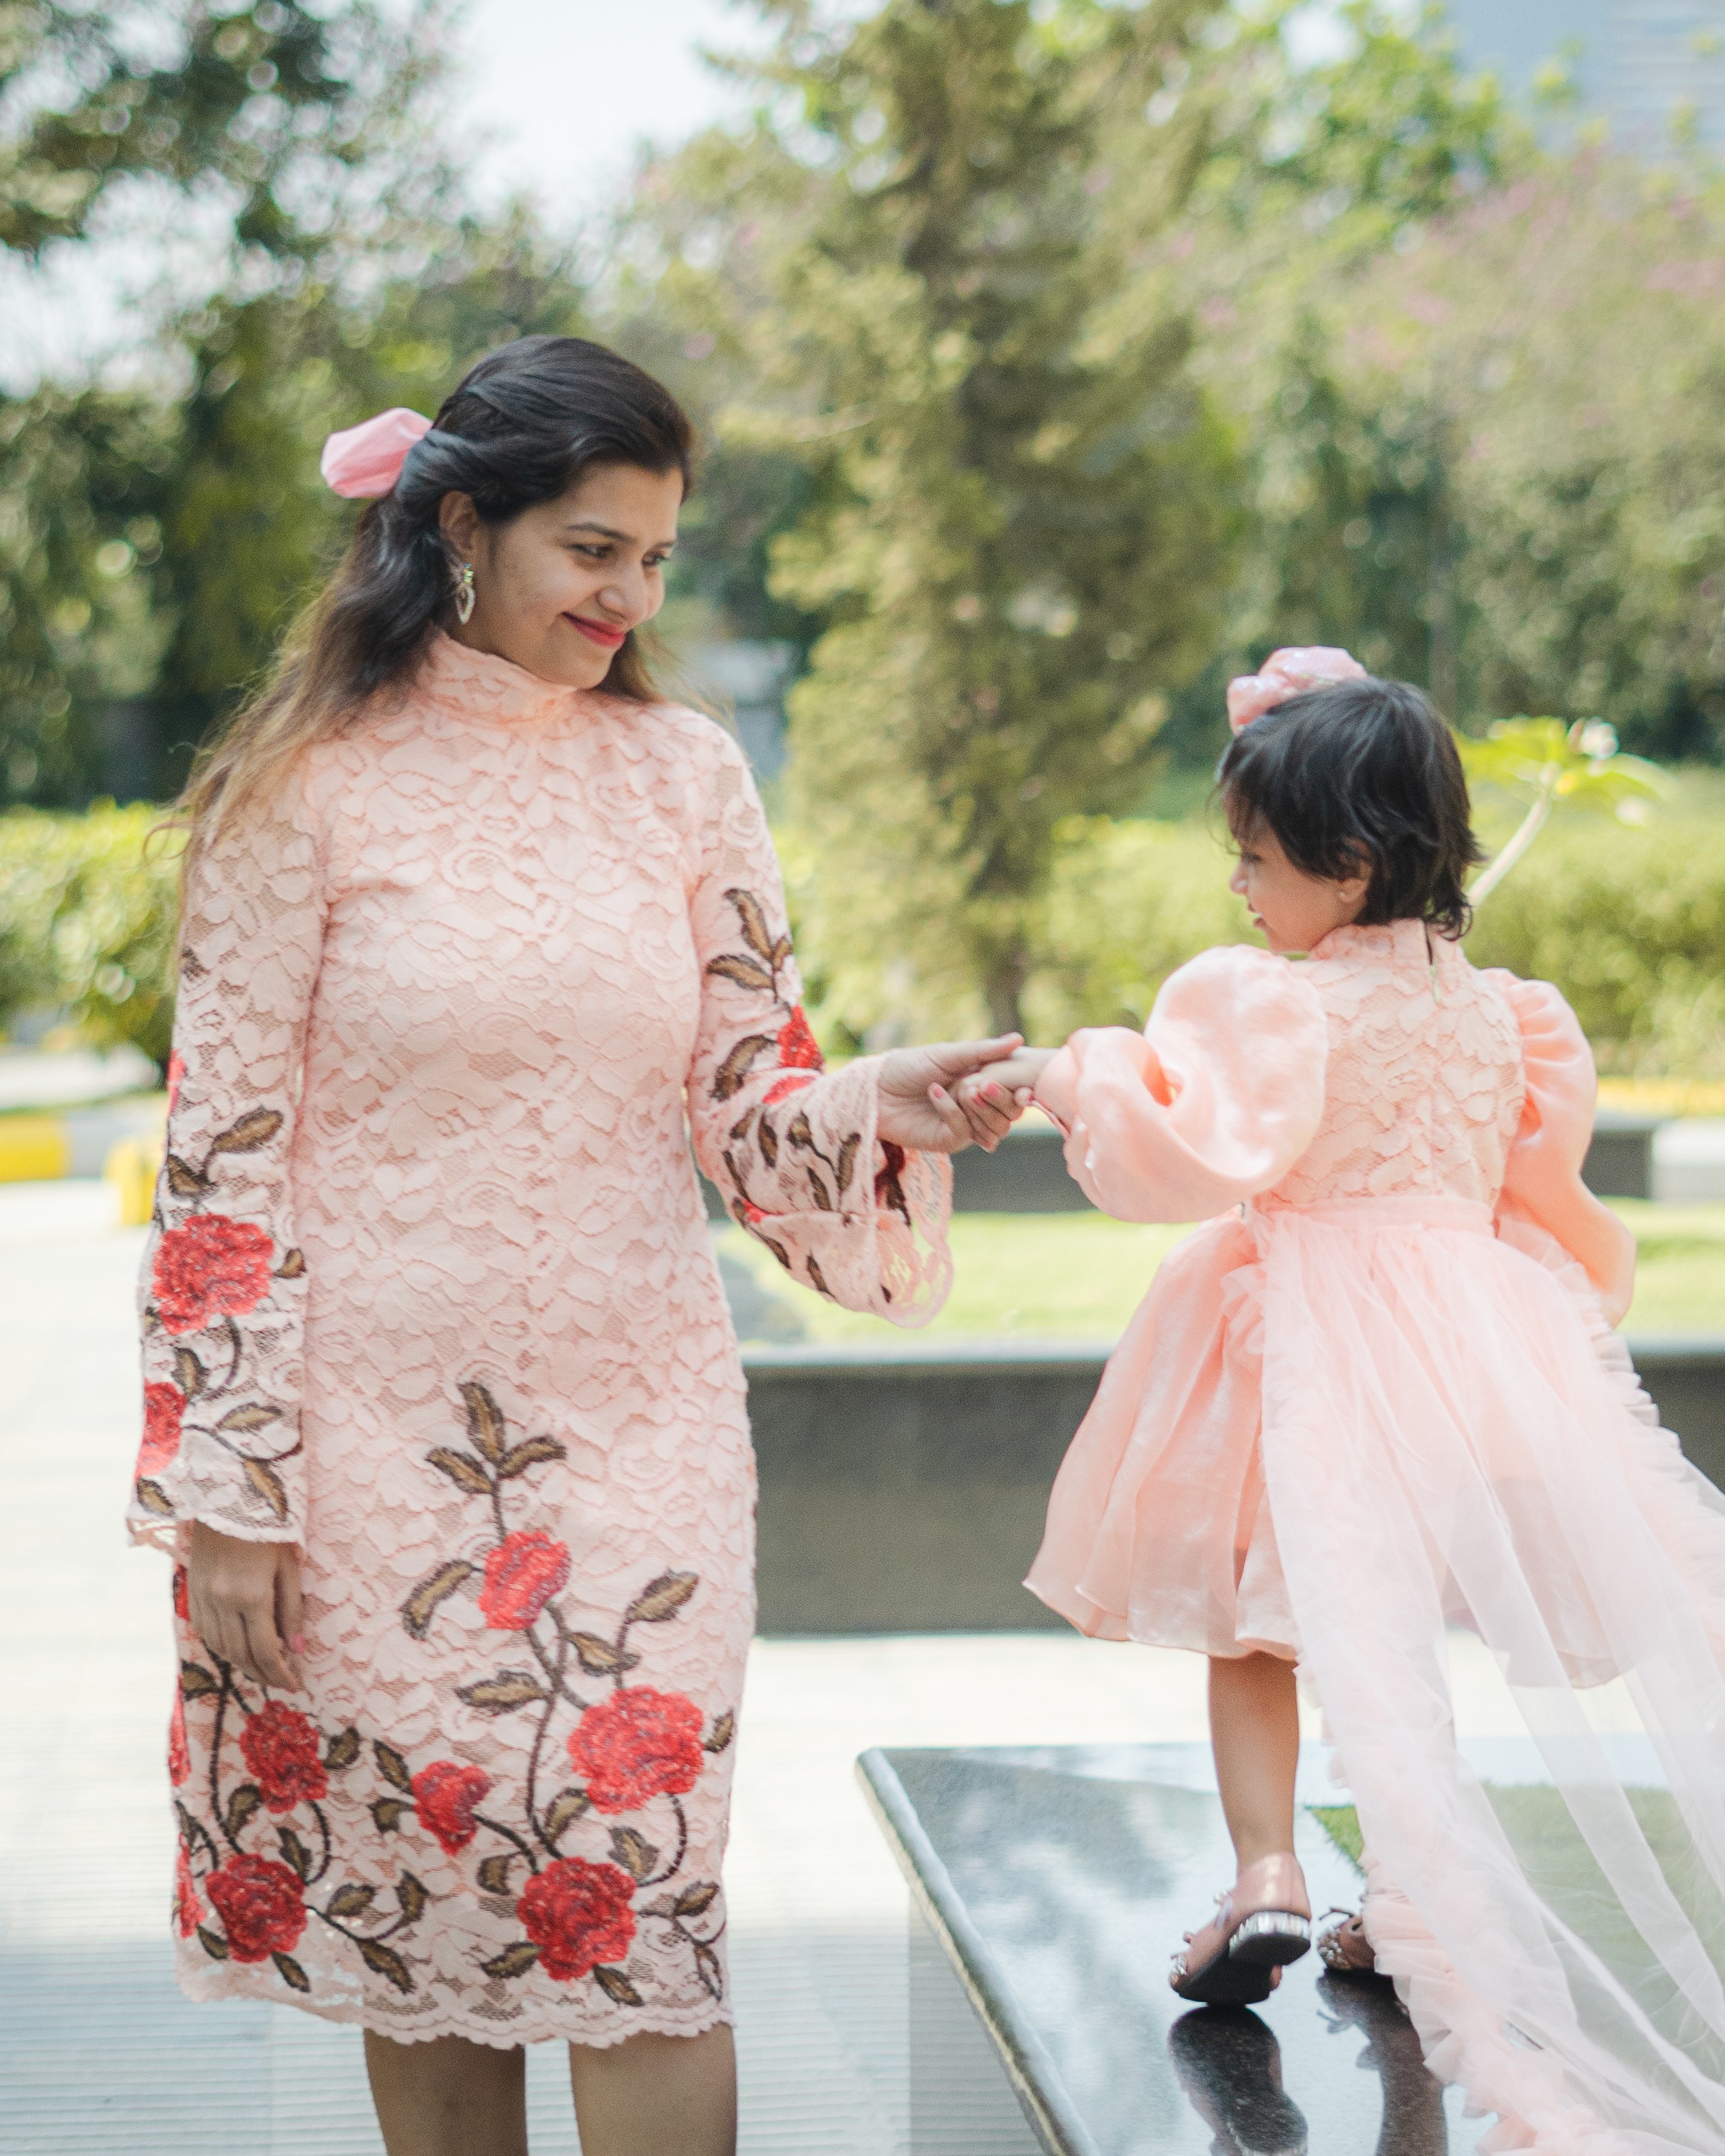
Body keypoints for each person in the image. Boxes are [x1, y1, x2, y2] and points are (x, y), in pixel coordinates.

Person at [129, 335, 1024, 2156]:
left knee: (638, 1925)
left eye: (656, 559)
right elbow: (222, 1159)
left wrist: (875, 1105)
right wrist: (231, 1479)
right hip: (358, 1466)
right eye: (590, 549)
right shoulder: (297, 792)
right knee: (432, 1938)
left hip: (637, 1448)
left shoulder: (686, 780)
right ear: (461, 525)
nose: (628, 596)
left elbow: (742, 1098)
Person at [962, 651, 1725, 2151]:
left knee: (1259, 1627)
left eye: (1254, 859)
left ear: (1349, 861)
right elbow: (1536, 1187)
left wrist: (1072, 1073)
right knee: (1396, 1637)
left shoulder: (1275, 1008)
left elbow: (1188, 1154)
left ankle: (1266, 1876)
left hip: (1290, 1344)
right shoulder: (1510, 1015)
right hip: (1455, 1342)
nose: (1238, 890)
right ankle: (1403, 1889)